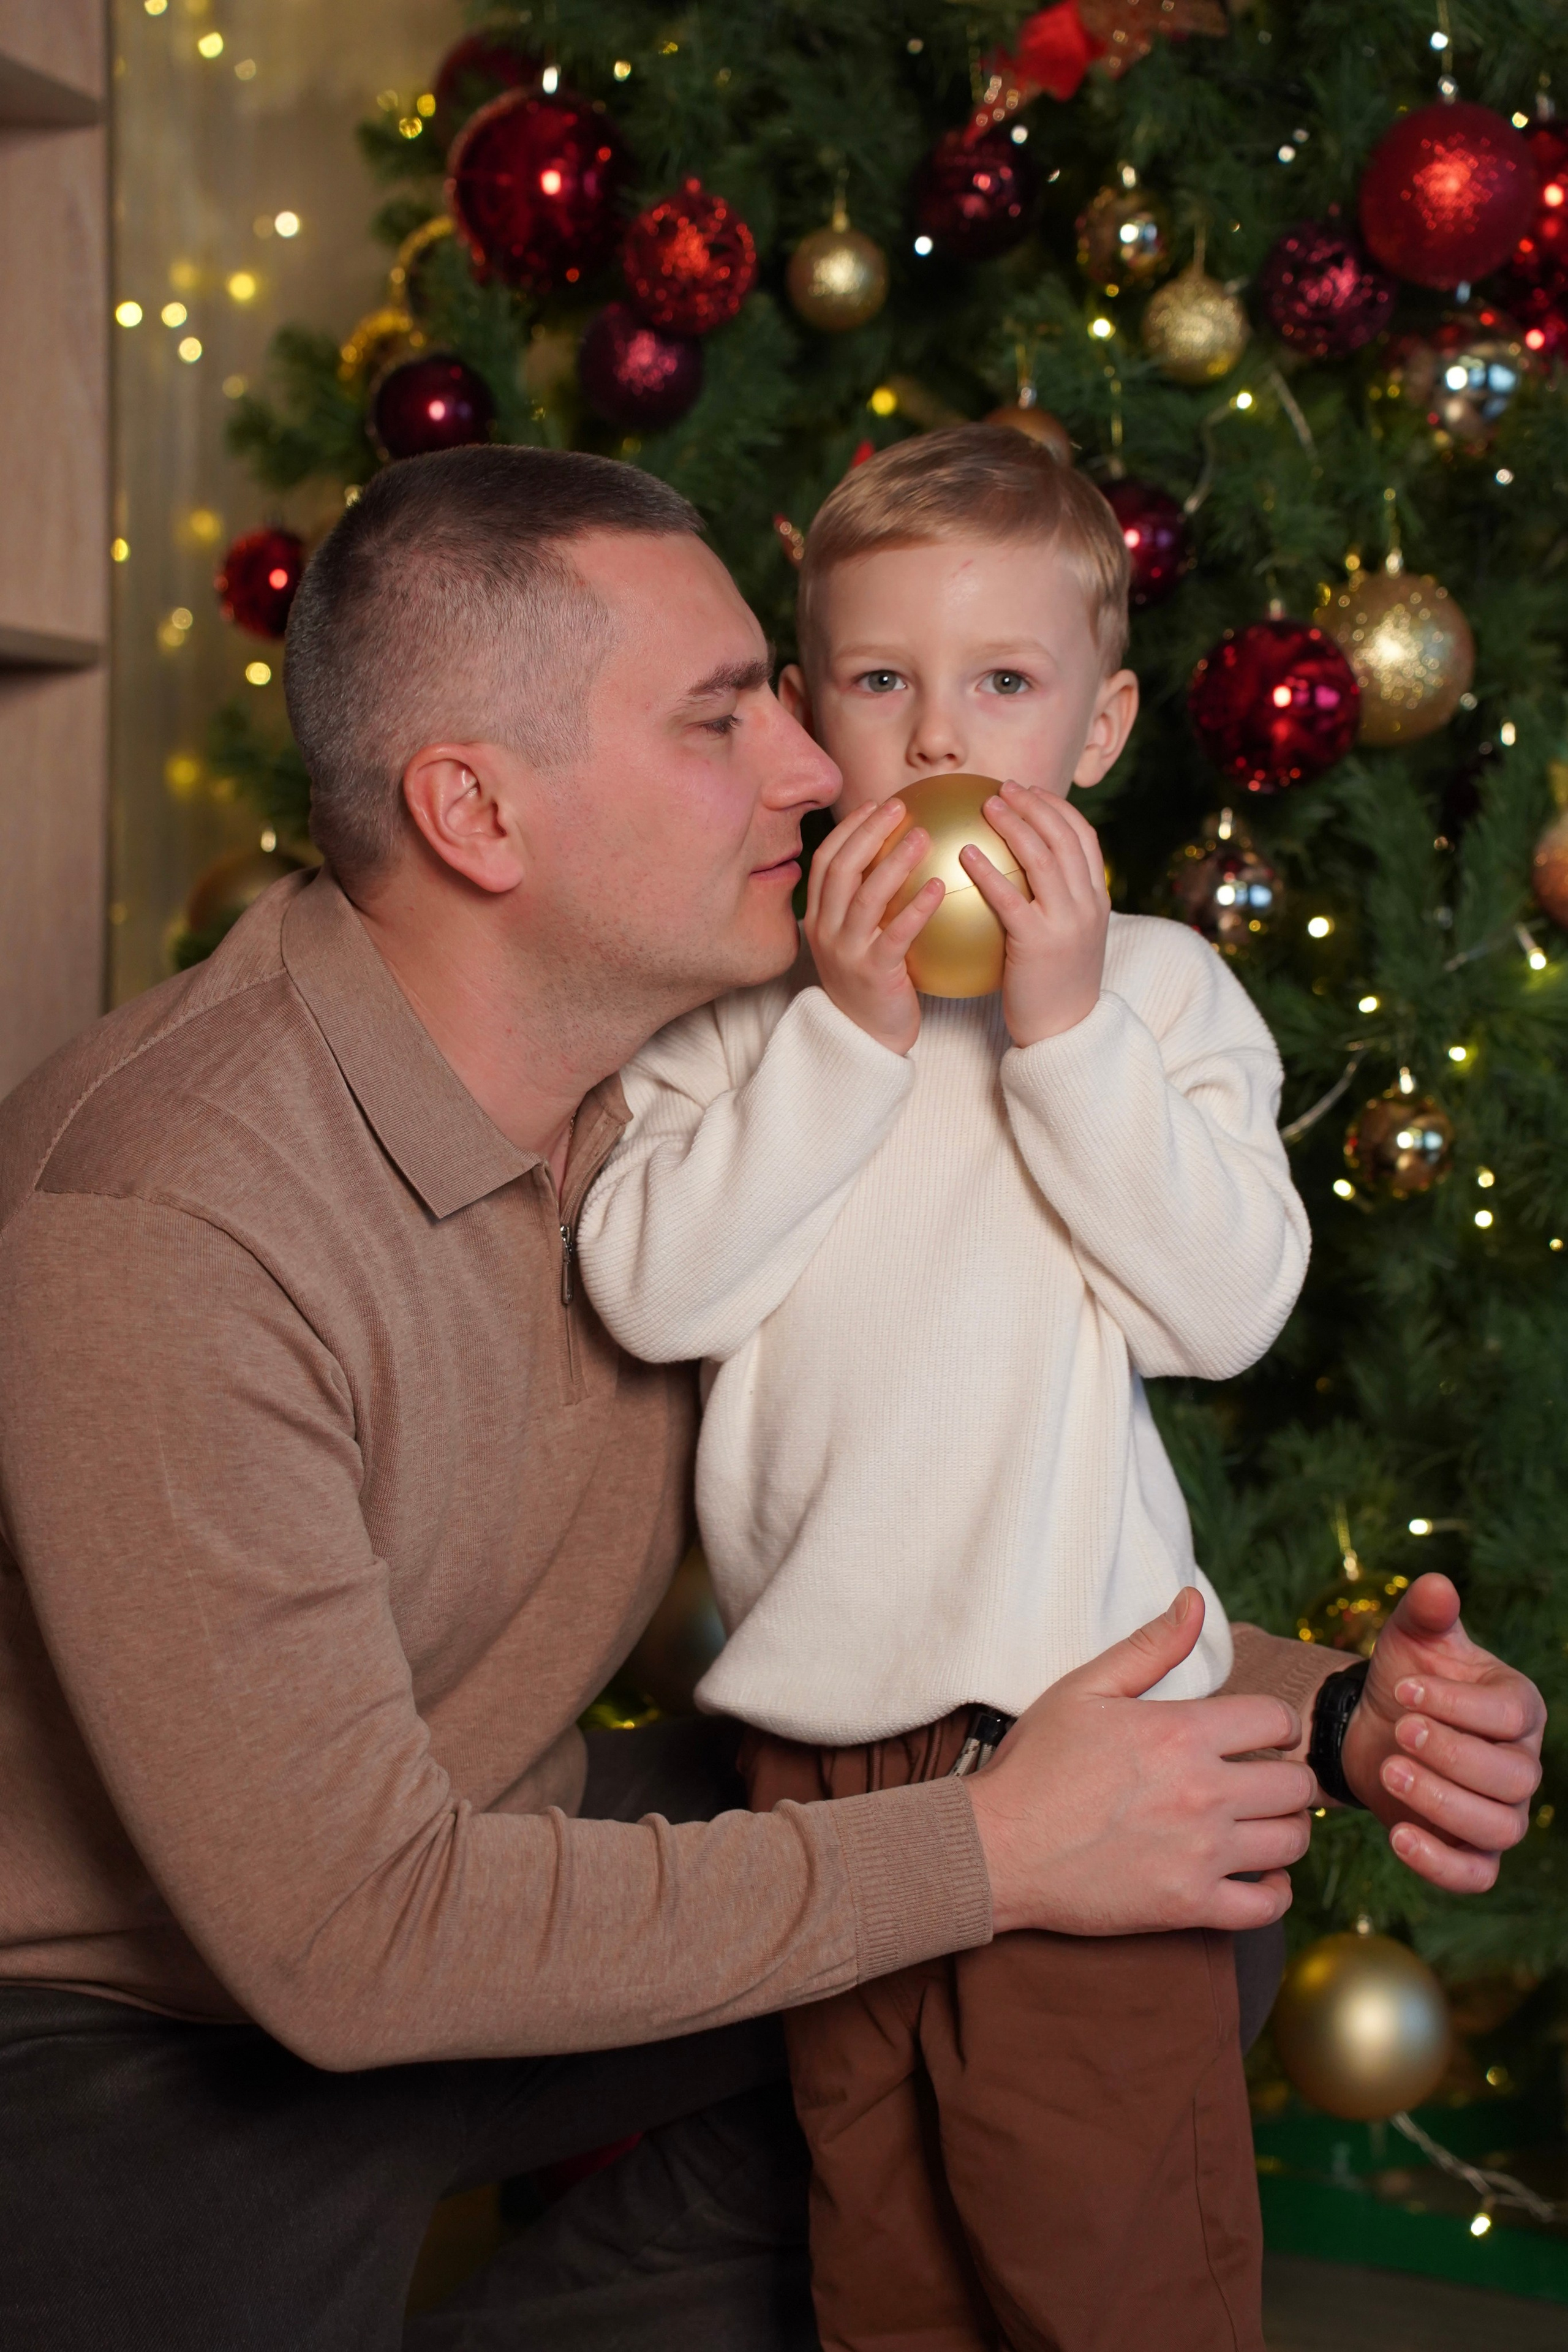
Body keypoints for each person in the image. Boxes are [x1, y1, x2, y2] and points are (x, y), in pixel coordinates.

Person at [0, 447, 1543, 2352]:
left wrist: (1325, 1718)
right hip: (135, 2035)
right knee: (1030, 1862)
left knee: (1150, 1882)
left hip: (480, 1840)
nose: (828, 767)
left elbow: (948, 1511)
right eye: (733, 715)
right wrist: (991, 1848)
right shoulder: (168, 1223)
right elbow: (345, 1938)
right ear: (477, 811)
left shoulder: (677, 1061)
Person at [576, 426, 1545, 2352]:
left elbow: (1227, 1308)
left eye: (1001, 687)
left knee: (1104, 2260)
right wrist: (846, 1040)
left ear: (1098, 733)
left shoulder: (1164, 994)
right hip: (819, 1793)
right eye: (879, 683)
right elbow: (652, 1286)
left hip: (1081, 1749)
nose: (940, 743)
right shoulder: (737, 1018)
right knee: (885, 2264)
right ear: (804, 714)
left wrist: (1069, 1032)